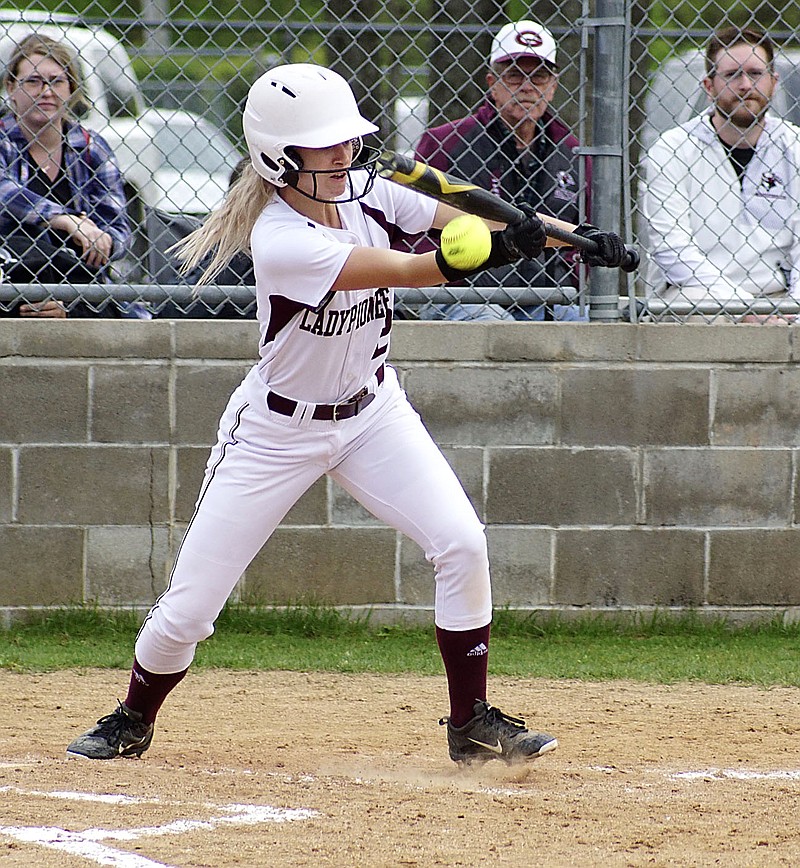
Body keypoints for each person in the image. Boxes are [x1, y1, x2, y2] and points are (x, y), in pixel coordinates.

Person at [65, 62, 573, 768]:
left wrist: (570, 237)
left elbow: (475, 218)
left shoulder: (369, 189)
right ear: (280, 158)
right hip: (276, 431)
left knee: (461, 542)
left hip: (373, 412)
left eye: (346, 142)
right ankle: (132, 716)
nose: (342, 156)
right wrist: (489, 250)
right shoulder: (281, 240)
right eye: (324, 147)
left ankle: (471, 724)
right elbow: (405, 271)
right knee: (190, 610)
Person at [413, 19, 600, 322]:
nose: (527, 87)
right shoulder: (446, 143)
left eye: (539, 77)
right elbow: (414, 225)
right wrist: (446, 276)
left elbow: (585, 230)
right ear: (492, 83)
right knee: (497, 327)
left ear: (552, 87)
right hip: (461, 293)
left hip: (546, 297)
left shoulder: (572, 151)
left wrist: (565, 281)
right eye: (515, 76)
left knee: (585, 324)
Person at [641, 26, 800, 318]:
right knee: (695, 307)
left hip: (779, 297)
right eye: (731, 75)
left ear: (773, 82)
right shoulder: (672, 149)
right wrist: (746, 310)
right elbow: (672, 251)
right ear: (709, 85)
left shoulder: (794, 146)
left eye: (755, 73)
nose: (744, 85)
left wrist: (794, 312)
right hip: (695, 295)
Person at [0, 34, 132, 318]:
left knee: (104, 311)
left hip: (76, 282)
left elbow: (119, 227)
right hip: (8, 276)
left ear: (71, 89)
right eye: (33, 81)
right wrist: (67, 220)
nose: (46, 91)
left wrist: (102, 241)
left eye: (57, 81)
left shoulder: (91, 147)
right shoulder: (3, 140)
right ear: (11, 87)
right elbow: (4, 191)